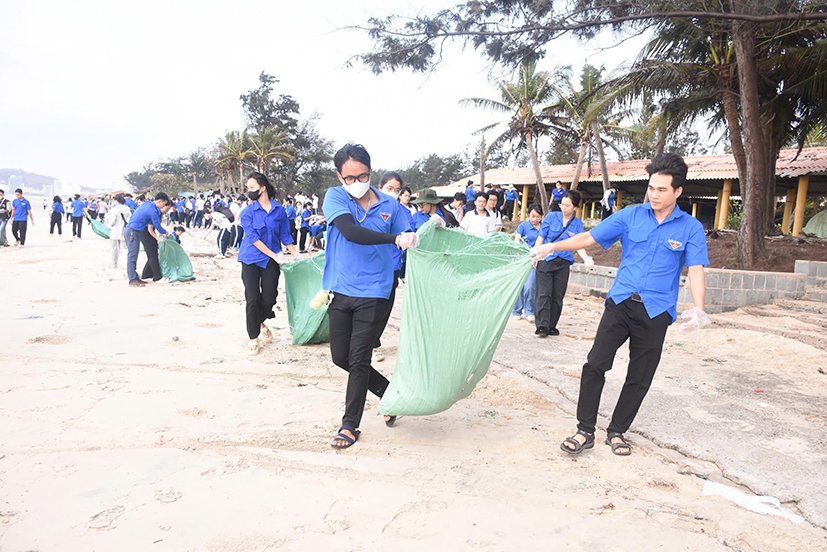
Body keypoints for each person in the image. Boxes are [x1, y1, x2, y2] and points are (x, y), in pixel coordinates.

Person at [533, 153, 710, 457]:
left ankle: (617, 431)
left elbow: (695, 269)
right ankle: (584, 429)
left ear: (678, 191)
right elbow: (589, 237)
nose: (654, 195)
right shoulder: (630, 215)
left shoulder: (690, 228)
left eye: (662, 189)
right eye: (651, 188)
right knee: (595, 364)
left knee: (640, 376)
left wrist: (698, 307)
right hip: (621, 303)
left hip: (656, 312)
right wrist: (551, 246)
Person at [323, 143, 417, 449]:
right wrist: (394, 238)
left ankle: (349, 426)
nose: (355, 183)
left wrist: (432, 229)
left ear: (370, 172)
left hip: (374, 291)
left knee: (359, 359)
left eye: (361, 176)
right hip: (339, 289)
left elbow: (414, 234)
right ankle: (390, 395)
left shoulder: (390, 206)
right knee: (341, 358)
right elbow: (351, 232)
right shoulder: (336, 197)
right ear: (340, 176)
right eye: (348, 177)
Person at [238, 172, 299, 355]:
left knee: (270, 297)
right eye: (248, 188)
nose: (249, 191)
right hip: (250, 259)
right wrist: (275, 255)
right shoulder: (247, 213)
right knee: (252, 298)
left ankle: (258, 321)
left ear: (262, 188)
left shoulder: (279, 210)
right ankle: (253, 338)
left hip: (272, 259)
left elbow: (285, 235)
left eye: (251, 187)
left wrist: (295, 254)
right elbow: (254, 239)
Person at [533, 190, 593, 338]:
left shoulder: (577, 224)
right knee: (543, 293)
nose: (564, 207)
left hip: (563, 263)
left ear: (575, 207)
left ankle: (552, 325)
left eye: (567, 205)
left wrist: (586, 258)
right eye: (562, 204)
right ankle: (542, 325)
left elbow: (579, 244)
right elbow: (541, 238)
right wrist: (534, 255)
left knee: (557, 295)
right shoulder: (552, 217)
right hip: (546, 260)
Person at [371, 171, 413, 364]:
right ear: (380, 188)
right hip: (370, 265)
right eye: (389, 188)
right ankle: (367, 343)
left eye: (397, 190)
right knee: (370, 305)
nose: (393, 193)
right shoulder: (369, 208)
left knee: (384, 307)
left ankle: (373, 342)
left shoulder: (403, 212)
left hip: (393, 265)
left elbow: (410, 233)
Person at [124, 193, 172, 287]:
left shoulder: (147, 204)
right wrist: (166, 233)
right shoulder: (152, 210)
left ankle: (136, 278)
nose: (163, 206)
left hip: (135, 231)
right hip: (132, 232)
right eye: (163, 204)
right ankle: (132, 280)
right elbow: (157, 226)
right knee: (132, 257)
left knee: (134, 256)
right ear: (159, 201)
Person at [512, 204, 543, 323]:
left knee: (530, 286)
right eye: (532, 216)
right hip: (521, 259)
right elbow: (517, 240)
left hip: (535, 260)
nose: (534, 219)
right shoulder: (523, 226)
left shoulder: (543, 228)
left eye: (537, 216)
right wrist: (519, 251)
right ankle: (517, 310)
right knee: (519, 285)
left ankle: (530, 311)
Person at [105, 194, 131, 268]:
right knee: (125, 248)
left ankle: (114, 264)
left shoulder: (114, 209)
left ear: (116, 201)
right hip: (125, 231)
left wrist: (109, 223)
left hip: (115, 232)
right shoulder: (127, 209)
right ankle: (128, 264)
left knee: (114, 248)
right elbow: (129, 220)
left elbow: (112, 221)